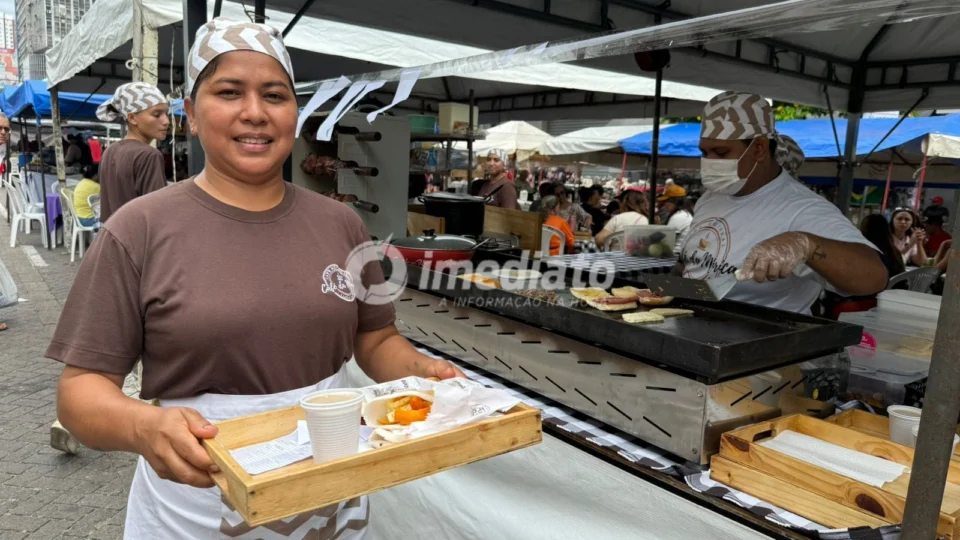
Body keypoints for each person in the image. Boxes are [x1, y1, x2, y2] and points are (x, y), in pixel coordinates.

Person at [48, 18, 464, 538]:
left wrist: (423, 374)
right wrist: (143, 426)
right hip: (196, 502)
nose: (255, 113)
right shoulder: (139, 229)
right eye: (228, 92)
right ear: (193, 116)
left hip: (329, 489)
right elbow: (81, 391)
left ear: (294, 113)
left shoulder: (342, 223)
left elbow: (376, 338)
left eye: (274, 94)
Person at [680, 91, 887, 314]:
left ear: (758, 148)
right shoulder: (712, 196)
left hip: (760, 340)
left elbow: (874, 276)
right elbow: (694, 265)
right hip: (693, 326)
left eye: (721, 152)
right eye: (704, 152)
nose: (709, 161)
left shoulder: (803, 208)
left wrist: (805, 244)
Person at [95, 81, 170, 222]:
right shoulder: (149, 155)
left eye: (166, 113)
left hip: (112, 234)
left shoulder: (110, 151)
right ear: (132, 118)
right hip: (139, 239)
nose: (166, 121)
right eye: (157, 114)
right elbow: (157, 212)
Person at [658, 184, 693, 252]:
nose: (664, 205)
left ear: (675, 201)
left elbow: (665, 239)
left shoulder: (679, 216)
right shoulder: (684, 214)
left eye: (666, 202)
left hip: (676, 255)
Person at [73, 163, 101, 229]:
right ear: (96, 175)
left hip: (79, 218)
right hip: (90, 220)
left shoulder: (81, 182)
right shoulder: (96, 187)